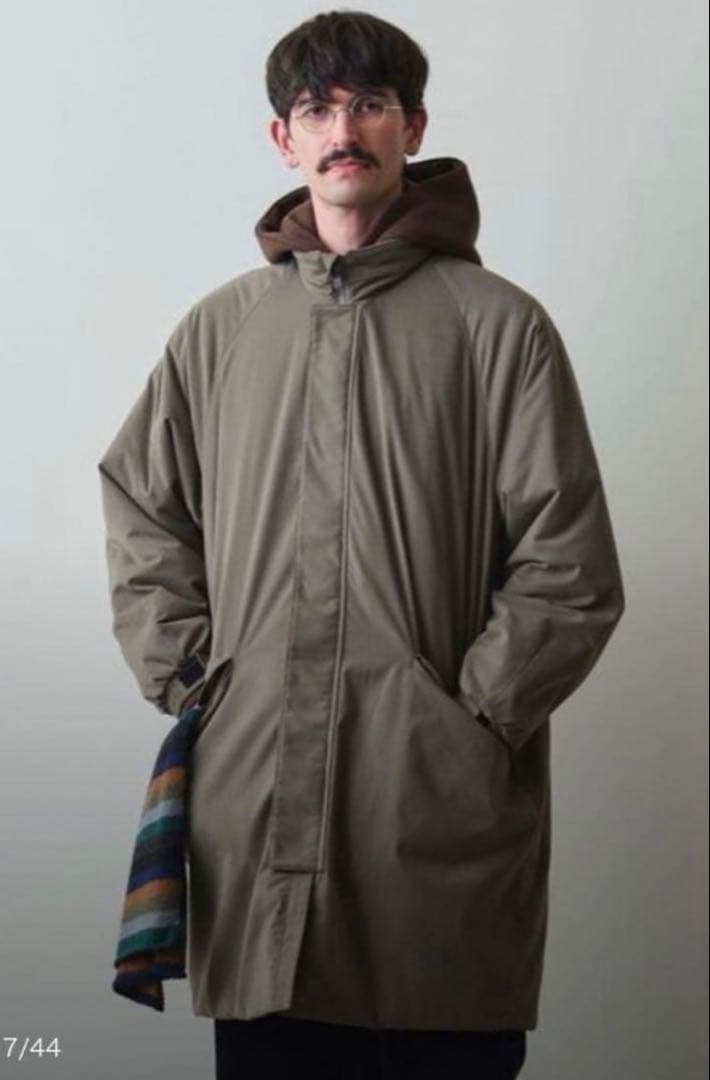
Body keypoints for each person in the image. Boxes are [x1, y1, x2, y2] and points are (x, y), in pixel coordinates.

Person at [97, 9, 625, 1078]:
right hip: (250, 806)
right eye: (316, 109)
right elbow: (141, 505)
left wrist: (468, 716)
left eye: (369, 105)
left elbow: (568, 566)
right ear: (282, 139)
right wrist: (196, 679)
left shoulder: (498, 325)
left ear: (411, 128)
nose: (343, 130)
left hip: (429, 813)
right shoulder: (221, 331)